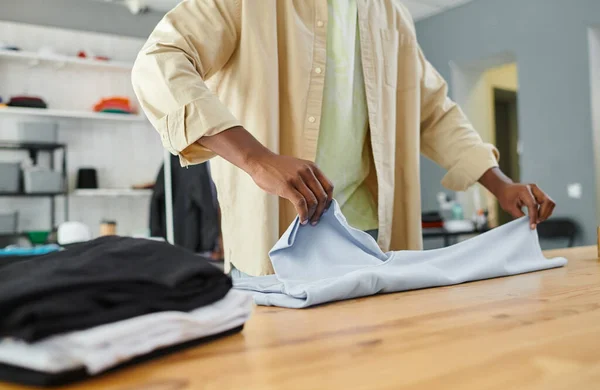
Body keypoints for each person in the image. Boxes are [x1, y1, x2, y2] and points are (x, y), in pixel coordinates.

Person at [132, 0, 555, 278]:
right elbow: (160, 61)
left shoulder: (390, 14)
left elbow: (433, 110)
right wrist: (256, 157)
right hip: (279, 239)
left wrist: (500, 183)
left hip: (375, 237)